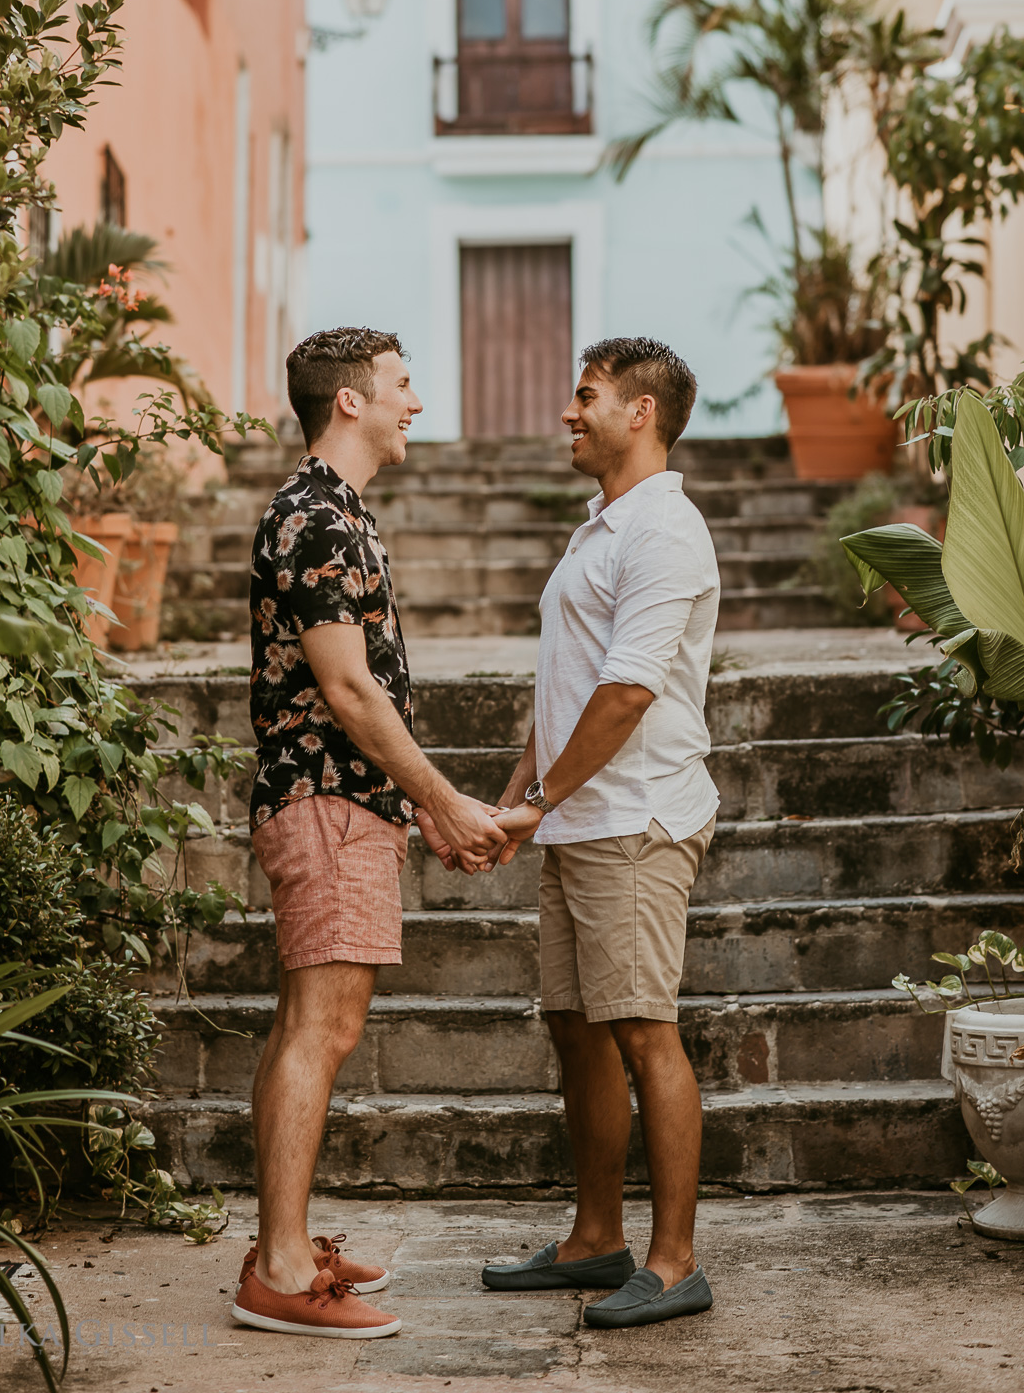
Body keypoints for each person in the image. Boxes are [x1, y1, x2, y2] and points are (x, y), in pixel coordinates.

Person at [232, 326, 508, 1340]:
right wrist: (440, 801)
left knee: (303, 1021)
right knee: (323, 1027)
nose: (415, 402)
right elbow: (346, 689)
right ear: (347, 401)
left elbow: (355, 688)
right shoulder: (316, 517)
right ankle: (282, 1271)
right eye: (399, 384)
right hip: (324, 799)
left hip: (340, 798)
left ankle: (282, 1239)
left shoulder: (333, 512)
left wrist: (411, 802)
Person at [481, 337, 720, 1330]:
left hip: (635, 816)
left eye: (585, 398)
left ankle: (672, 1263)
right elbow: (569, 685)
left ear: (640, 413)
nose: (568, 414)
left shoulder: (663, 531)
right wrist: (514, 799)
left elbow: (624, 692)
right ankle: (593, 1239)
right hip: (578, 816)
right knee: (574, 1026)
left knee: (641, 1029)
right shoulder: (602, 526)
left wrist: (538, 801)